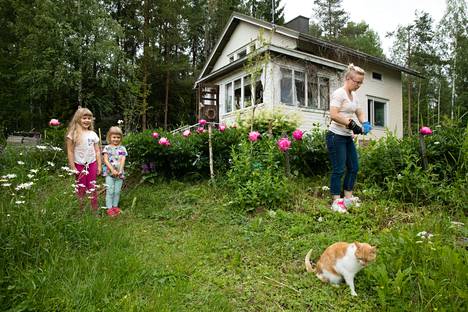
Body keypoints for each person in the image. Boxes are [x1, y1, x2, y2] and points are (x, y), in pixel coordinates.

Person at [326, 64, 372, 213]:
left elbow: (359, 111)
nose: (359, 85)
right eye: (357, 82)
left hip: (346, 137)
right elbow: (334, 114)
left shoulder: (354, 96)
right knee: (339, 169)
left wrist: (364, 123)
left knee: (354, 167)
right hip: (335, 136)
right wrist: (352, 125)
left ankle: (347, 198)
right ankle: (336, 201)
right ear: (348, 78)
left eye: (361, 82)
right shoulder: (339, 94)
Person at [66, 107, 102, 212]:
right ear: (78, 119)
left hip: (92, 164)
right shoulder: (73, 134)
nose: (87, 120)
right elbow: (70, 152)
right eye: (84, 118)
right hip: (79, 165)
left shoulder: (93, 134)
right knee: (80, 188)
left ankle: (94, 209)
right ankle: (80, 209)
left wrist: (99, 165)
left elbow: (97, 151)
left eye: (89, 118)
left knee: (92, 187)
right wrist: (73, 167)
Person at [102, 126, 127, 212]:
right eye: (114, 137)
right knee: (110, 191)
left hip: (119, 174)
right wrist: (112, 170)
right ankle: (109, 208)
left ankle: (115, 206)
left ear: (121, 138)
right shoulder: (107, 148)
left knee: (117, 191)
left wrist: (120, 170)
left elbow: (123, 159)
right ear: (110, 137)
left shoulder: (122, 148)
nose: (116, 139)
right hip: (109, 173)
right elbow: (105, 160)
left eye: (118, 137)